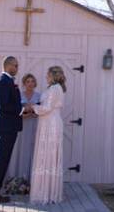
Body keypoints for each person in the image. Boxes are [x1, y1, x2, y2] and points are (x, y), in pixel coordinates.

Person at [0, 56, 27, 203]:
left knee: (3, 160)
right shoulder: (3, 82)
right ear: (8, 66)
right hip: (5, 127)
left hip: (9, 126)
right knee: (1, 160)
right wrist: (22, 109)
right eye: (16, 65)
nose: (17, 68)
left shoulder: (9, 82)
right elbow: (4, 106)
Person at [29, 65, 67, 203]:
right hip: (46, 122)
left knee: (48, 155)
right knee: (45, 155)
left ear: (53, 75)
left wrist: (32, 107)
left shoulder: (55, 88)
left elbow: (47, 108)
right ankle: (44, 190)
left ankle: (47, 192)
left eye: (48, 74)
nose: (46, 76)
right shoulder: (53, 88)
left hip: (51, 123)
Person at [8, 74, 42, 180]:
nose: (30, 83)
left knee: (33, 149)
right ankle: (17, 177)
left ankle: (32, 178)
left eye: (32, 81)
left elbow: (43, 111)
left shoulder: (39, 96)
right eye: (28, 81)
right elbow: (14, 110)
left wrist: (34, 113)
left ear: (35, 83)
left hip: (34, 124)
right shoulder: (19, 95)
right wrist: (23, 113)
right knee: (20, 148)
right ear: (24, 83)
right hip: (21, 125)